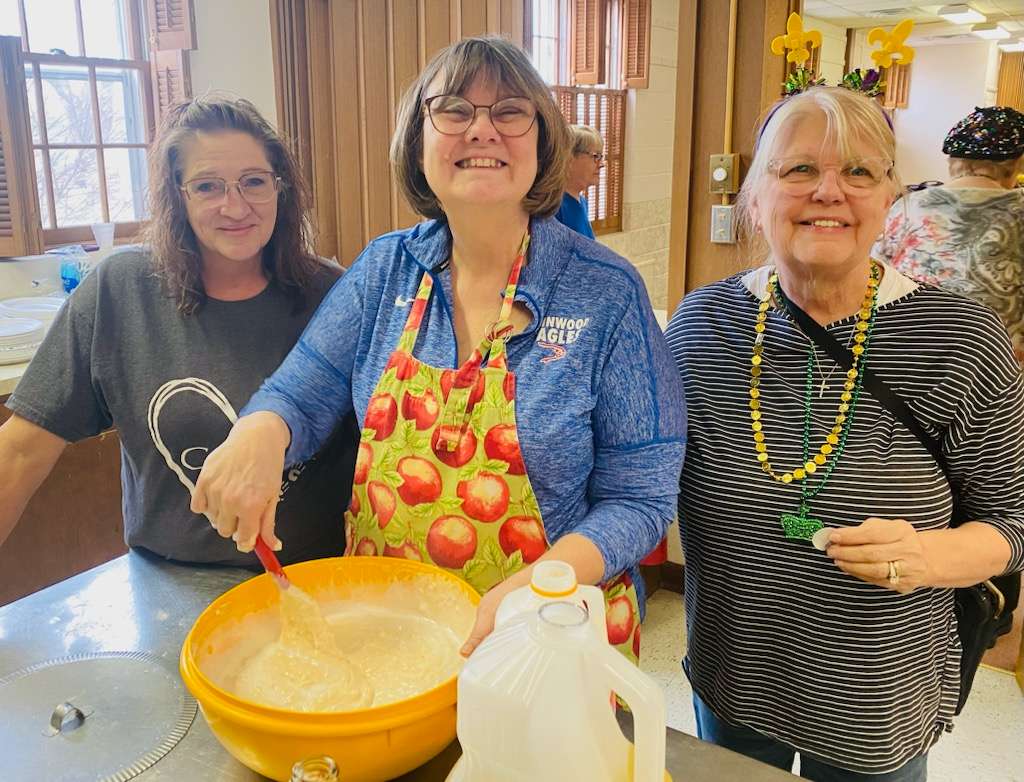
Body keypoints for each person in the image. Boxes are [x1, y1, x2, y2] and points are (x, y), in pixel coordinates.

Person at [192, 36, 685, 660]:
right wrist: (258, 433)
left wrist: (542, 585)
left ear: (542, 141)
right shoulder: (384, 270)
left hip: (548, 639)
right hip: (392, 632)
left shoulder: (606, 292)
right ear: (418, 141)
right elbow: (299, 393)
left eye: (510, 112)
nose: (482, 130)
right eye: (453, 110)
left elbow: (640, 497)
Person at [665, 87, 1024, 781]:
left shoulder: (959, 340)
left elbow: (1014, 522)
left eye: (860, 172)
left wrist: (924, 554)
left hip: (873, 695)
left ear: (892, 197)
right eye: (798, 169)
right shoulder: (702, 327)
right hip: (732, 672)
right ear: (755, 198)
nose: (830, 190)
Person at [0, 95, 358, 567]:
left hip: (319, 581)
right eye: (208, 186)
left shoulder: (337, 294)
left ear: (281, 189)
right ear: (177, 194)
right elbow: (21, 453)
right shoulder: (119, 291)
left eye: (254, 182)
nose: (236, 206)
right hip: (166, 586)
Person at [873, 105, 1024, 364]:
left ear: (953, 161)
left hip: (903, 356)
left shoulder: (908, 207)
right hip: (998, 366)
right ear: (1017, 164)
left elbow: (874, 275)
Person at [554, 124, 604, 239]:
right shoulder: (555, 208)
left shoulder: (582, 202)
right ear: (569, 158)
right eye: (596, 156)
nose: (601, 164)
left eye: (601, 157)